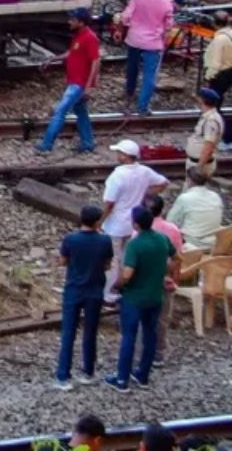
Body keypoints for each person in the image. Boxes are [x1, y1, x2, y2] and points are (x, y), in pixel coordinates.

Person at [106, 206, 174, 391]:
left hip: (134, 298)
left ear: (135, 224)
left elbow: (128, 273)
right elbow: (176, 256)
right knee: (150, 335)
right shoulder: (162, 239)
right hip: (155, 296)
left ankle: (122, 380)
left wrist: (117, 285)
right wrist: (168, 275)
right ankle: (143, 375)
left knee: (129, 336)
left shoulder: (135, 244)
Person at [100, 140, 168, 302]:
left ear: (124, 156)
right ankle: (123, 286)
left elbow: (109, 203)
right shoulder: (144, 171)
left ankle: (108, 294)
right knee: (125, 257)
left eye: (119, 152)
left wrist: (100, 220)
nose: (117, 155)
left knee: (113, 259)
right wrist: (145, 195)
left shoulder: (117, 176)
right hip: (133, 222)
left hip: (116, 223)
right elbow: (163, 182)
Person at [55, 205, 112, 390]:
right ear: (97, 222)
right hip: (94, 291)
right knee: (90, 332)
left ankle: (63, 376)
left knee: (68, 333)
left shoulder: (70, 239)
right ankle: (88, 371)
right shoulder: (105, 241)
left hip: (73, 289)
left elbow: (63, 261)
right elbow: (107, 265)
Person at [39, 9, 102, 154]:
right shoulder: (79, 36)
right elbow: (72, 53)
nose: (69, 22)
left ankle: (46, 145)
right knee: (81, 112)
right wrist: (53, 59)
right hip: (75, 81)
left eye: (72, 20)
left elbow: (96, 62)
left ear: (81, 22)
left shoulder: (90, 38)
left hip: (78, 84)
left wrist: (88, 86)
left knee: (60, 111)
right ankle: (88, 143)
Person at [121, 0, 176, 115]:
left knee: (132, 68)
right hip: (153, 43)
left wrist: (130, 25)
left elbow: (125, 17)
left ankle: (129, 93)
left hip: (134, 39)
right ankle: (142, 107)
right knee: (149, 75)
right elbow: (169, 26)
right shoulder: (167, 3)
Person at [168, 165, 225, 251]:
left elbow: (171, 222)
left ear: (189, 180)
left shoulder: (185, 198)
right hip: (214, 241)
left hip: (192, 243)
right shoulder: (215, 196)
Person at [186, 87, 222, 180]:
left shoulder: (211, 121)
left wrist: (199, 168)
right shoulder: (208, 116)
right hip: (197, 162)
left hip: (200, 165)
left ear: (202, 100)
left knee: (193, 192)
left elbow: (208, 147)